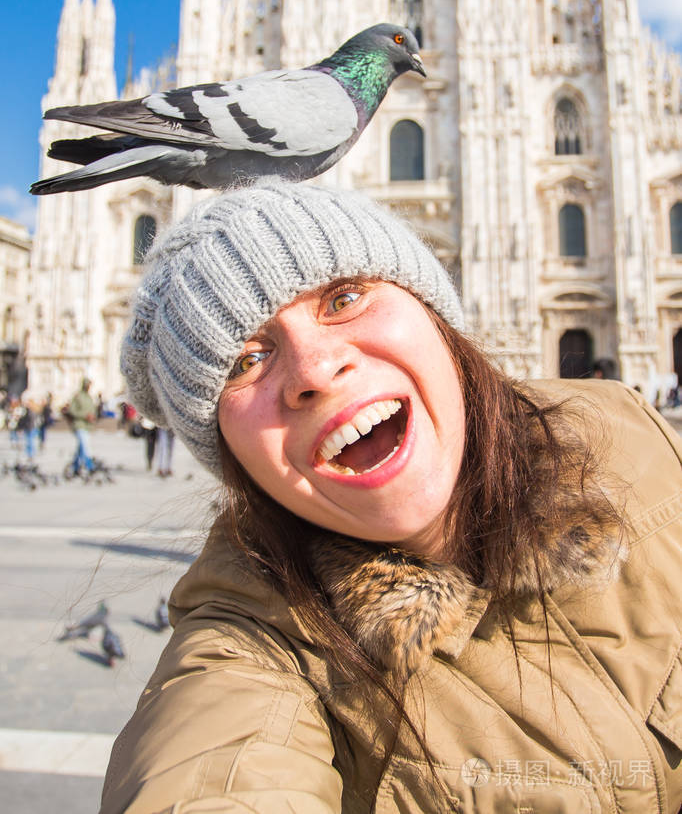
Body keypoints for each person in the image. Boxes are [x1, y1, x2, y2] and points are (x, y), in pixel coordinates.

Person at [100, 179, 682, 814]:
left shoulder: (634, 439)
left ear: (433, 313)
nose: (316, 369)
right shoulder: (252, 642)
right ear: (230, 454)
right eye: (243, 360)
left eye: (344, 297)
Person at [65, 377, 96, 476]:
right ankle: (90, 466)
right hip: (79, 424)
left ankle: (75, 467)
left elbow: (92, 410)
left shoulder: (89, 397)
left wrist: (92, 416)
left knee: (80, 447)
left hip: (87, 426)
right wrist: (84, 415)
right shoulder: (78, 396)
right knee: (85, 446)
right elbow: (72, 411)